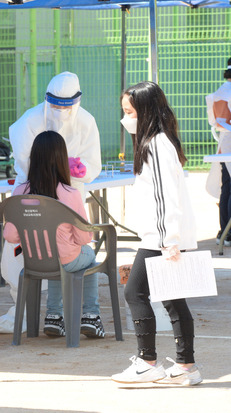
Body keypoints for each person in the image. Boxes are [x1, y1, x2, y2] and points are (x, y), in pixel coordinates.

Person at [111, 81, 201, 385]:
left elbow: (164, 197)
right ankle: (186, 366)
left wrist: (167, 241)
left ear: (145, 111)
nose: (126, 118)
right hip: (167, 236)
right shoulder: (161, 142)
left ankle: (148, 360)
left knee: (133, 291)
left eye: (129, 111)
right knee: (173, 299)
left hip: (161, 238)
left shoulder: (155, 145)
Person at [2, 131, 105, 338]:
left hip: (33, 261)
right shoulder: (70, 193)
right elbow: (84, 237)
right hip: (66, 259)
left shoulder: (20, 191)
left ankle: (54, 316)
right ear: (61, 160)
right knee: (88, 257)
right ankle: (90, 316)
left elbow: (11, 236)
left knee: (58, 260)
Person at [9, 71, 102, 195]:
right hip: (32, 187)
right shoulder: (30, 120)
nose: (61, 111)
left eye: (66, 107)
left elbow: (92, 162)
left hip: (70, 189)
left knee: (69, 215)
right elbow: (24, 162)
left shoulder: (86, 121)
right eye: (55, 106)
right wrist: (58, 166)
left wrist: (82, 169)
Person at [205, 57, 231, 246]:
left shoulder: (217, 93)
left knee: (226, 188)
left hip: (224, 144)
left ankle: (224, 230)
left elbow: (213, 122)